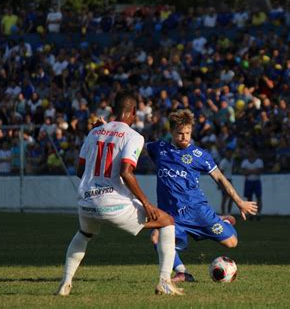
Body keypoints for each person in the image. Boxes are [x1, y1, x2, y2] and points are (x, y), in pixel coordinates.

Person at [56, 92, 184, 296]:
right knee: (167, 221)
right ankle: (165, 282)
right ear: (133, 112)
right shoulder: (134, 136)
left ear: (114, 110)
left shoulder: (94, 132)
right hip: (112, 204)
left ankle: (65, 283)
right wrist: (146, 203)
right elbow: (126, 171)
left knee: (84, 234)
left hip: (86, 201)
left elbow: (80, 171)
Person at [146, 109, 258, 282]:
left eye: (188, 133)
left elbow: (220, 178)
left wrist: (239, 202)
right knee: (155, 237)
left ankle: (224, 221)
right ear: (171, 132)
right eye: (180, 133)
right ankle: (182, 272)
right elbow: (132, 144)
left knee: (232, 243)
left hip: (197, 211)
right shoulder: (158, 148)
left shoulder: (199, 155)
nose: (184, 137)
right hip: (171, 215)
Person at [241, 148, 264, 220]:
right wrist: (254, 171)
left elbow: (259, 171)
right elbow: (244, 173)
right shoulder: (245, 162)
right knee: (249, 198)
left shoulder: (259, 161)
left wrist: (249, 171)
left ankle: (258, 213)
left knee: (258, 198)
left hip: (256, 181)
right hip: (248, 181)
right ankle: (250, 214)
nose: (250, 153)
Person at [219, 149, 234, 214]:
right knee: (225, 198)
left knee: (231, 197)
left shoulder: (231, 161)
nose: (230, 154)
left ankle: (228, 212)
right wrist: (221, 183)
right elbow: (221, 173)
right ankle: (223, 212)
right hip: (225, 180)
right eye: (228, 153)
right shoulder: (223, 162)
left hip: (229, 180)